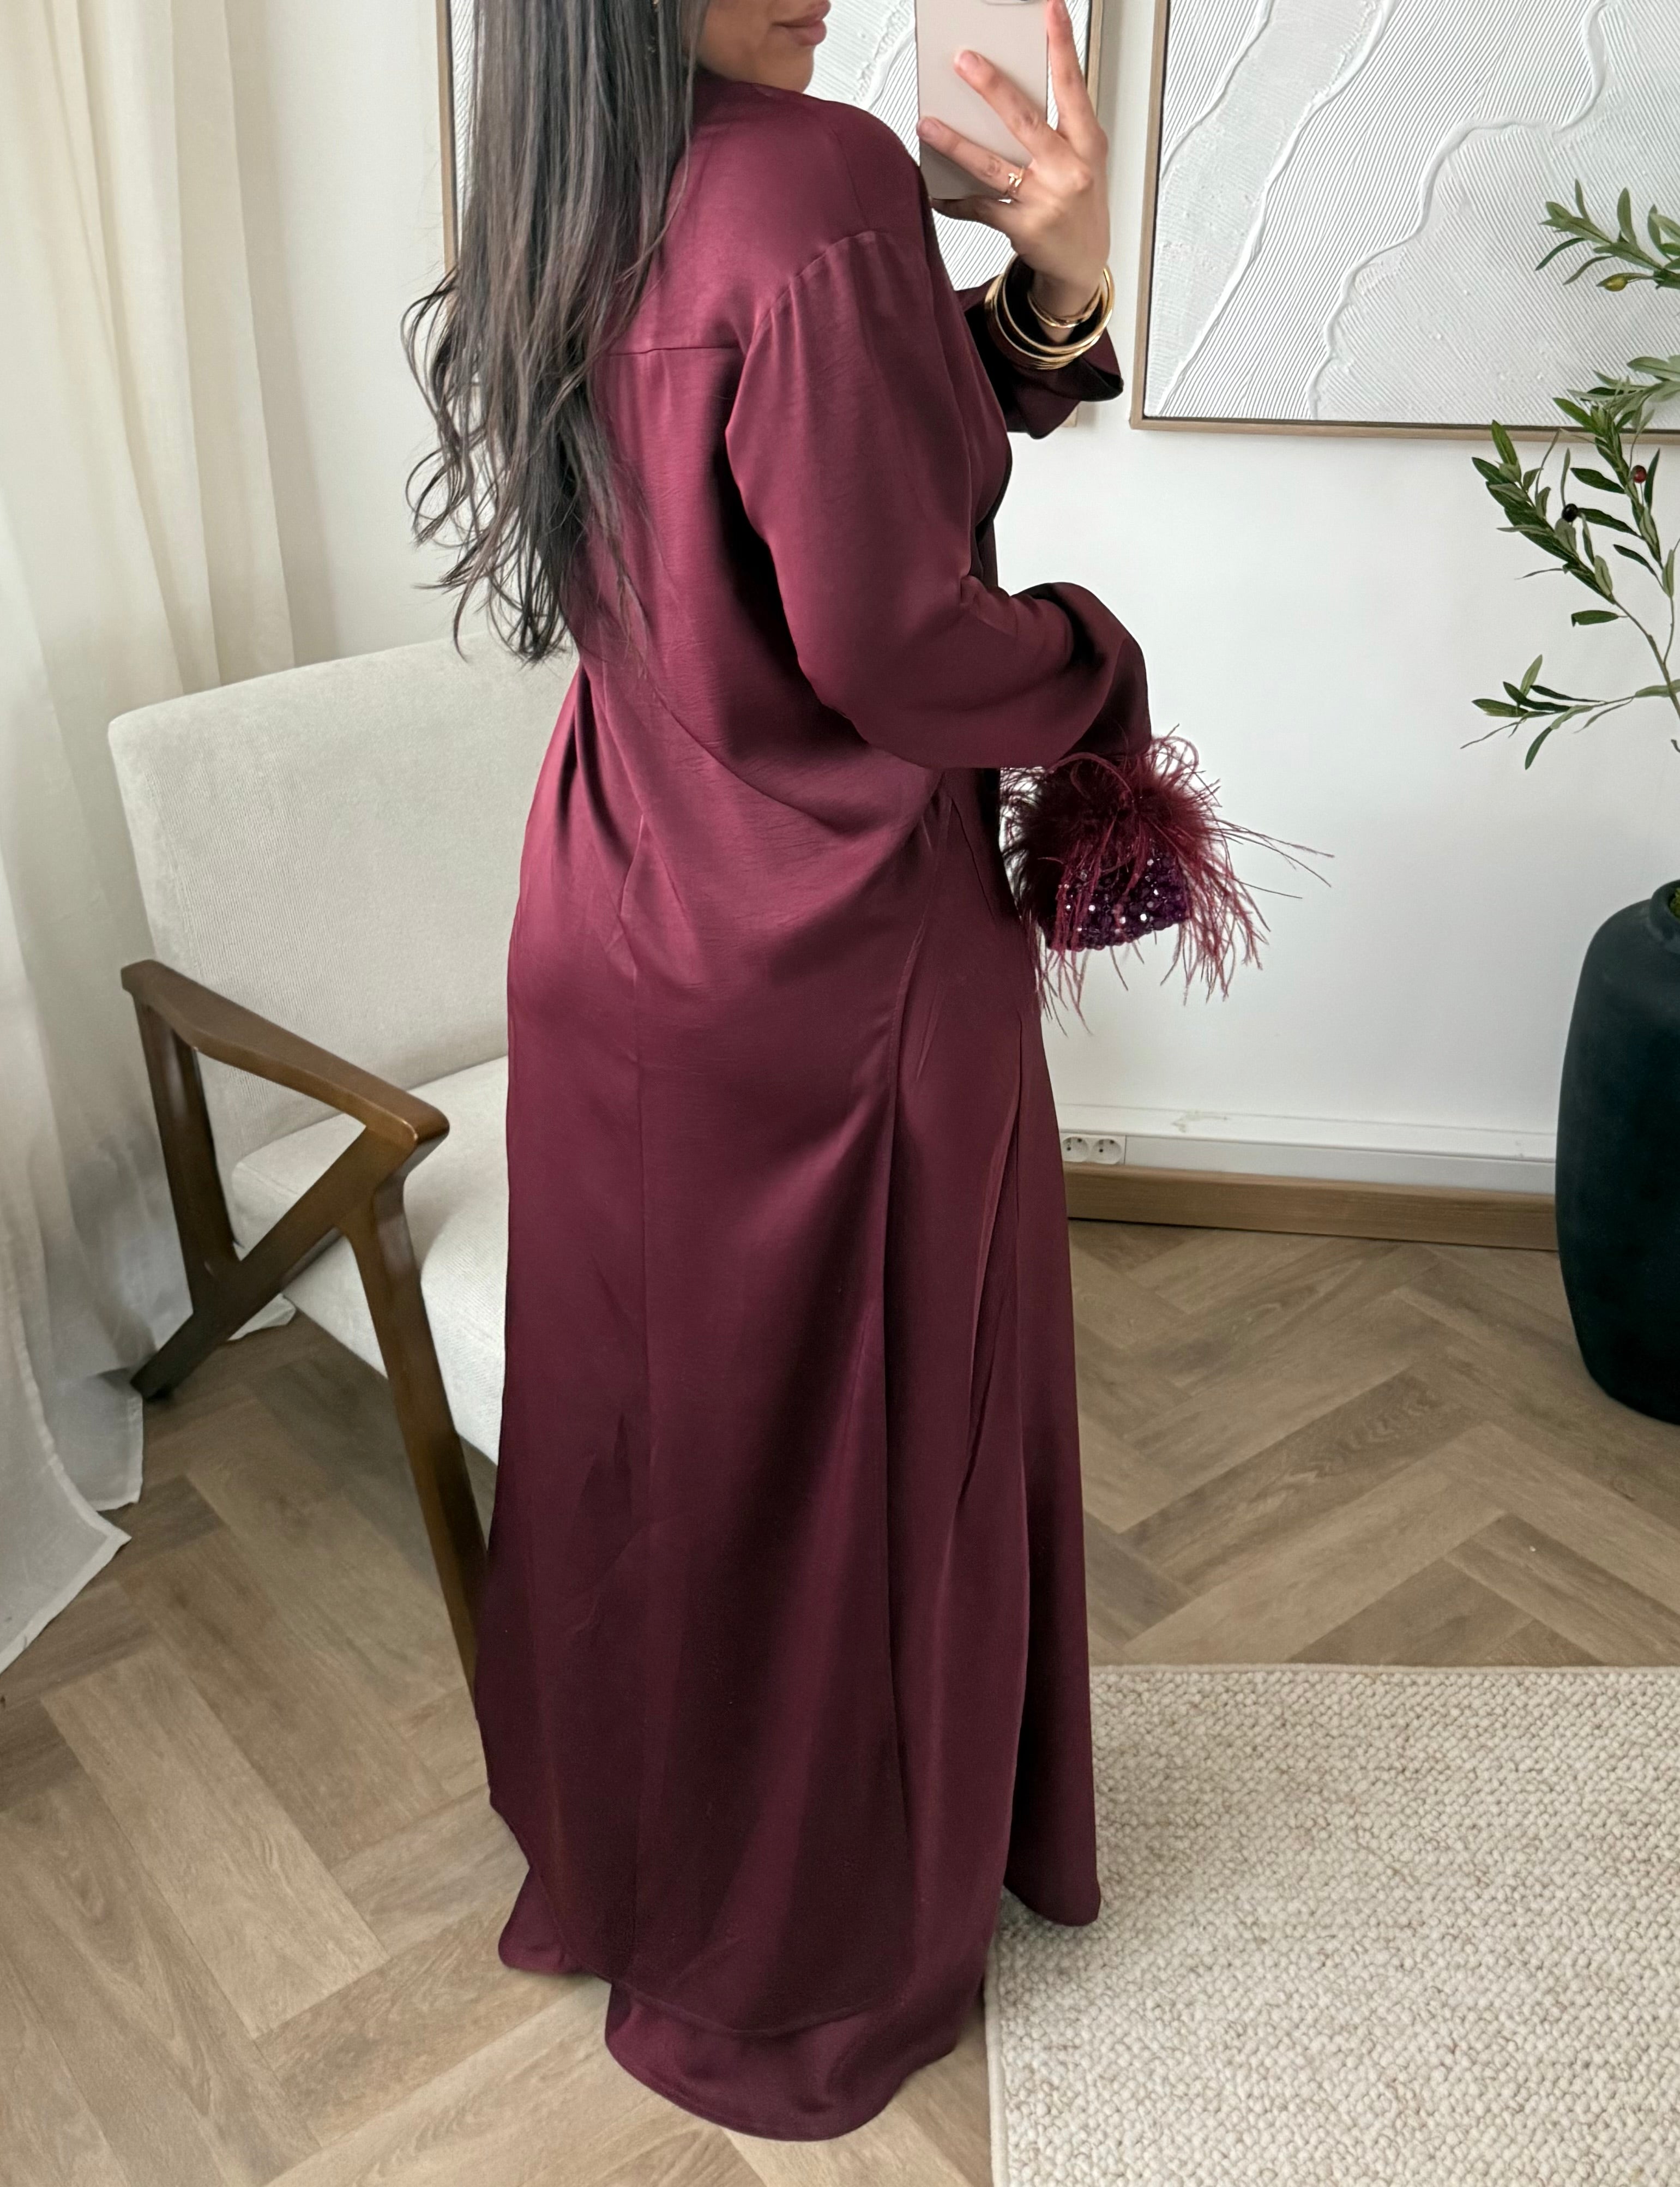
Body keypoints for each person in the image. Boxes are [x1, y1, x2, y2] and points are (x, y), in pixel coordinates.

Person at [406, 0, 1245, 2141]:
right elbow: (894, 638)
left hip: (615, 898)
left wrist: (1044, 299)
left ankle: (635, 1863)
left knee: (662, 1439)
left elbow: (825, 442)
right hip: (827, 949)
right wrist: (1100, 665)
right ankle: (811, 1952)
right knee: (854, 1457)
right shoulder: (813, 177)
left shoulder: (568, 172)